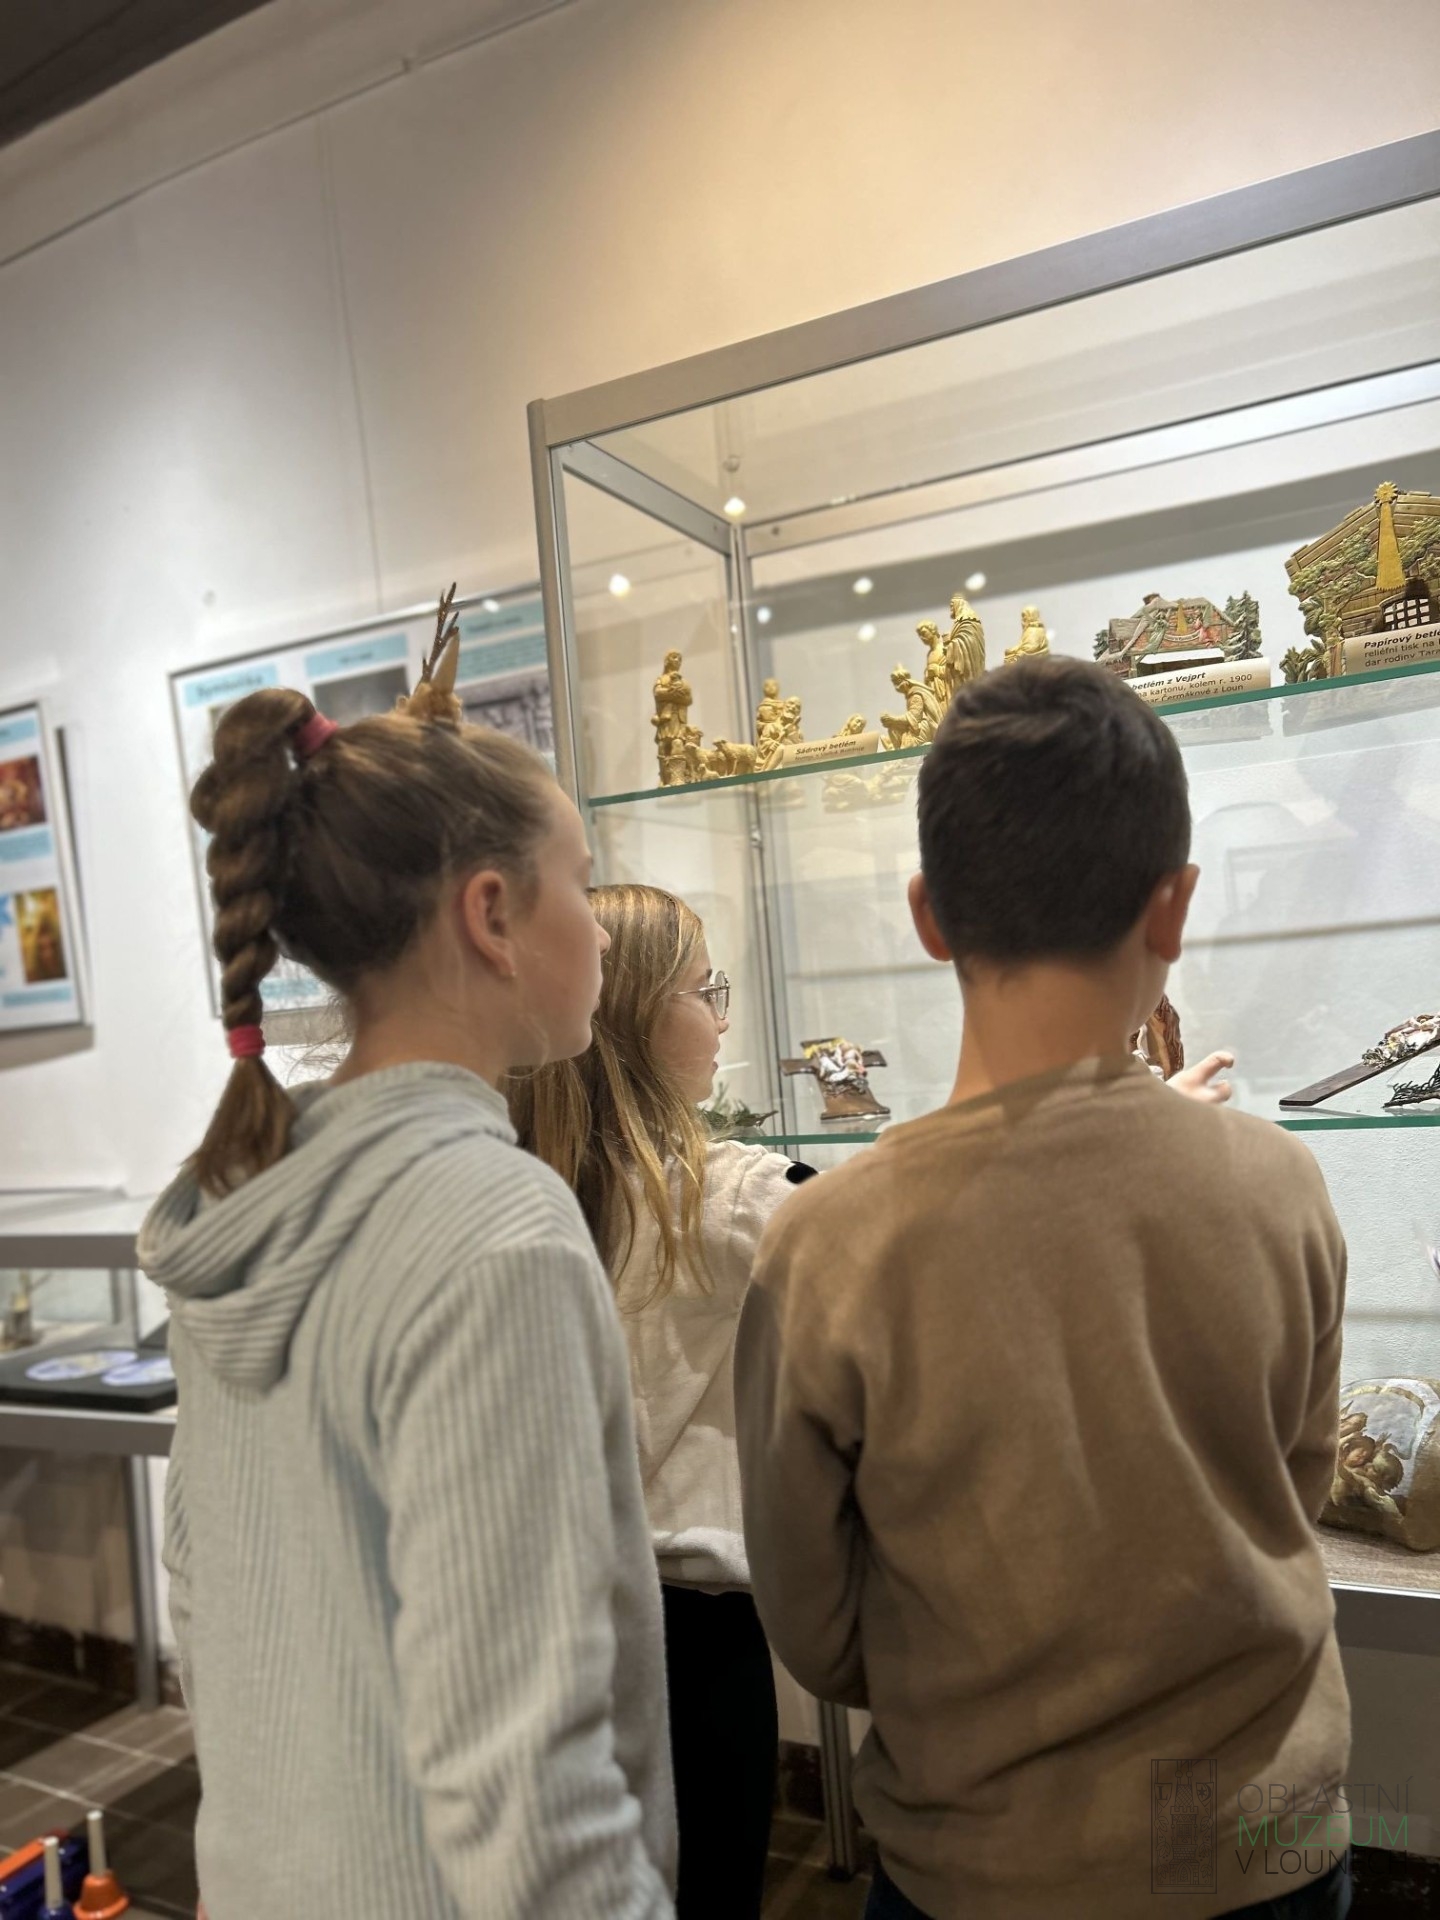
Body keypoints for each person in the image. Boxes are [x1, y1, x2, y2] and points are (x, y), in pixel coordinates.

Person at [735, 657, 1351, 1920]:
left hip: (985, 1865)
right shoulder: (1280, 1186)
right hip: (1261, 1844)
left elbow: (815, 1626)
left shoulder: (829, 1242)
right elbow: (1295, 1495)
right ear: (1173, 909)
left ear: (928, 916)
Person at [138, 641, 675, 1920]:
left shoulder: (248, 1199)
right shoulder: (496, 1230)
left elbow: (203, 1602)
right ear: (491, 917)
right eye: (579, 884)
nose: (600, 929)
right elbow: (528, 1787)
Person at [510, 884, 801, 1920]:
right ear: (635, 1014)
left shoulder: (516, 1188)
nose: (721, 1019)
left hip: (547, 1620)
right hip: (695, 1634)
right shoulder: (732, 1196)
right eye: (703, 991)